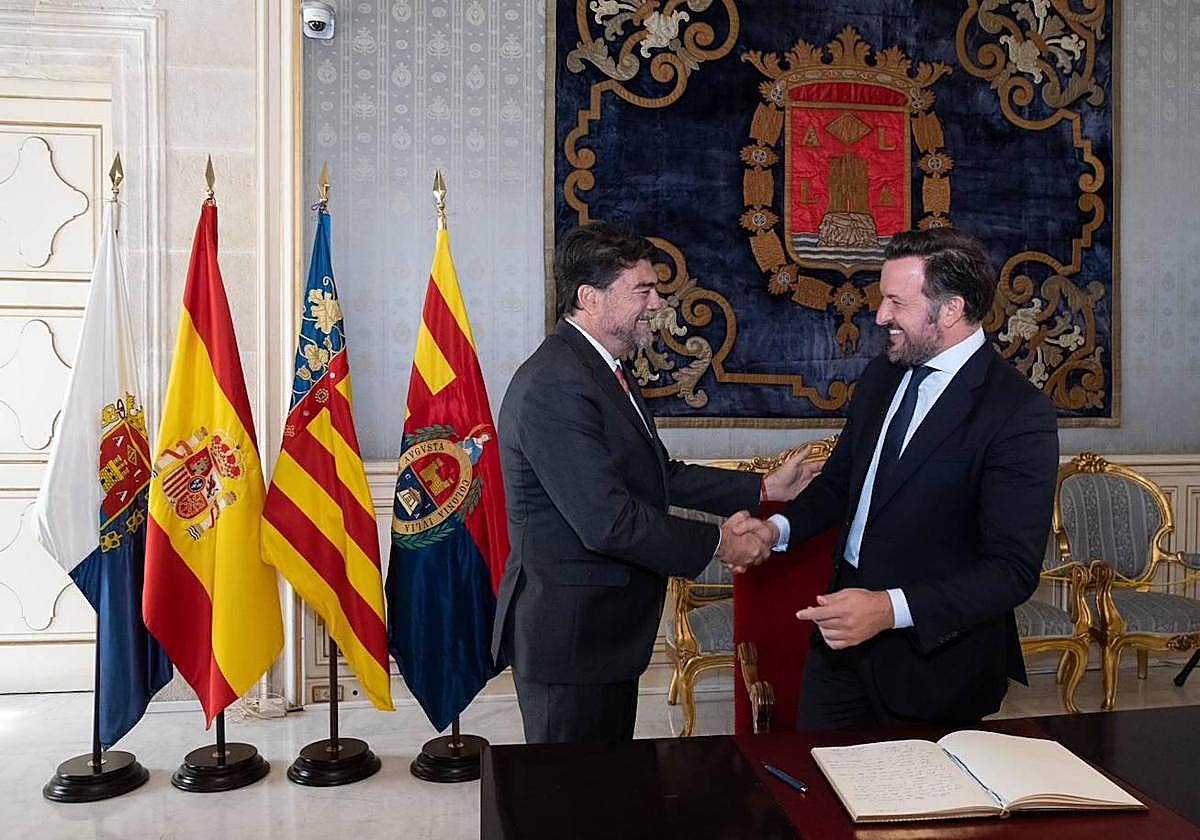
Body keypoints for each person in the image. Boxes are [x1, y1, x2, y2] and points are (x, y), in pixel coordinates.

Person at [491, 221, 815, 744]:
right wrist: (720, 541)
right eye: (642, 289)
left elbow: (659, 475)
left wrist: (762, 488)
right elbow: (608, 522)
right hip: (571, 638)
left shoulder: (604, 369)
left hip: (603, 635)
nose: (657, 302)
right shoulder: (556, 384)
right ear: (589, 298)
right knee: (564, 805)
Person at [742, 227, 1059, 729]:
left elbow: (1011, 570)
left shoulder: (1016, 412)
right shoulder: (881, 375)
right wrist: (776, 531)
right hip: (841, 640)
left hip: (934, 662)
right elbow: (840, 484)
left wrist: (889, 610)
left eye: (896, 301)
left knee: (913, 804)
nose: (880, 315)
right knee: (818, 781)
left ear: (950, 310)